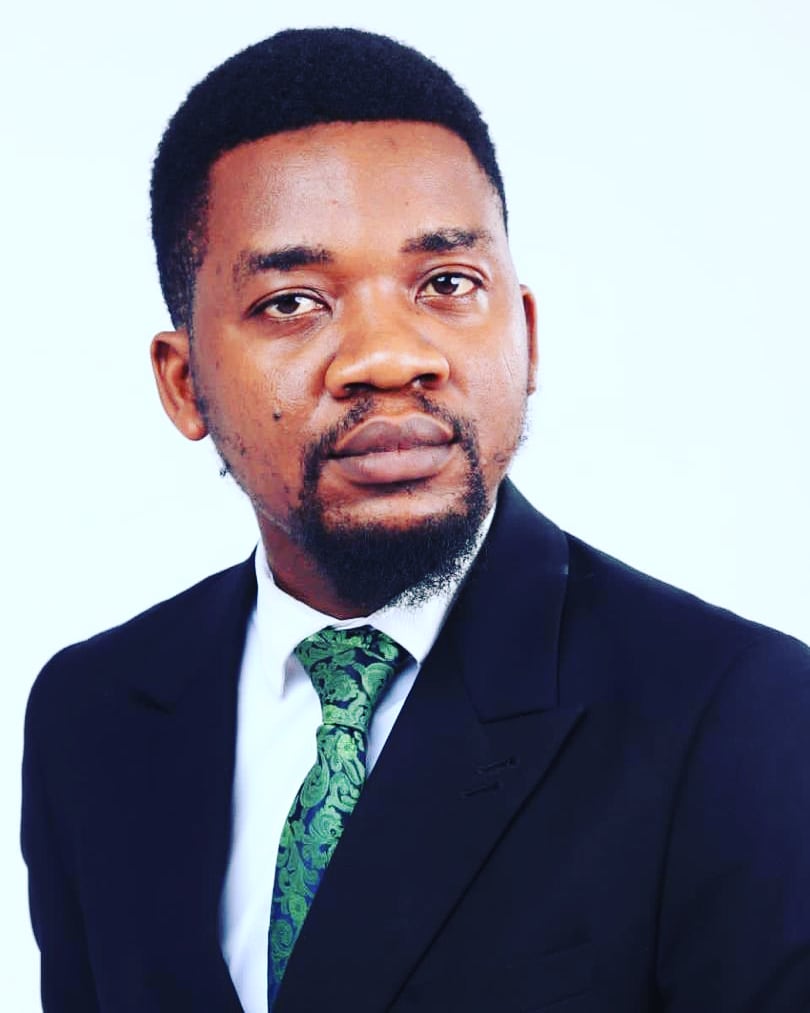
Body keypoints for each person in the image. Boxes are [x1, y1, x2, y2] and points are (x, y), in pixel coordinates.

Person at [21, 26, 810, 1013]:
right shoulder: (93, 714)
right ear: (184, 384)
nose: (390, 357)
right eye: (293, 301)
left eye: (447, 285)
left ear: (525, 335)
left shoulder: (736, 716)